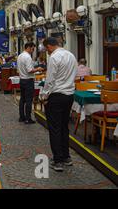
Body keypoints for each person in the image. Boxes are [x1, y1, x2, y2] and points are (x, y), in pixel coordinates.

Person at [39, 38, 77, 172]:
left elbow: (50, 79)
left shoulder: (54, 58)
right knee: (64, 127)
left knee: (54, 128)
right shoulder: (71, 55)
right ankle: (66, 157)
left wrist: (44, 96)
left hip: (56, 96)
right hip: (69, 95)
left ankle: (58, 160)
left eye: (46, 49)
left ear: (49, 46)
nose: (47, 52)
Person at [17, 42, 44, 124]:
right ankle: (28, 118)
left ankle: (22, 117)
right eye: (32, 49)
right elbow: (30, 70)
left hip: (22, 80)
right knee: (29, 100)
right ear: (28, 47)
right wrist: (38, 69)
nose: (33, 51)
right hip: (28, 80)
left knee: (22, 99)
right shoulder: (28, 57)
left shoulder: (20, 56)